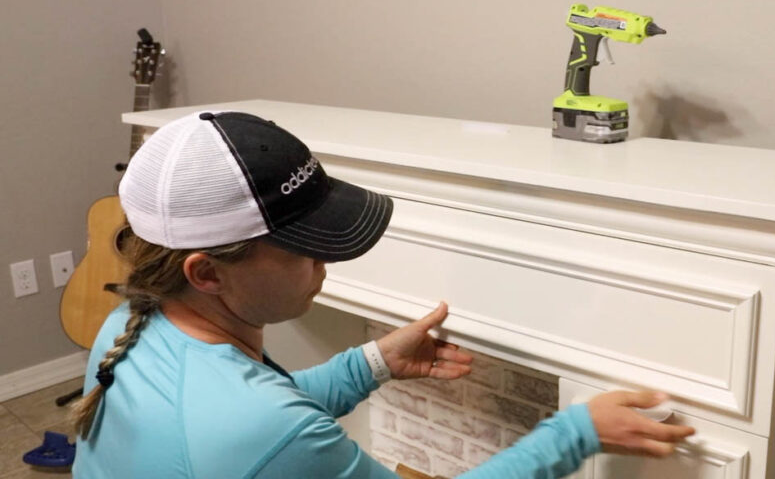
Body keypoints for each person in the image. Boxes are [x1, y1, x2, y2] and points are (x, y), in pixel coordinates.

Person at [71, 110, 695, 478]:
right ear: (207, 272)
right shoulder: (259, 428)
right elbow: (271, 430)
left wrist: (373, 362)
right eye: (306, 247)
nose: (327, 264)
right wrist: (576, 431)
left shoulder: (132, 321)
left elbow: (267, 415)